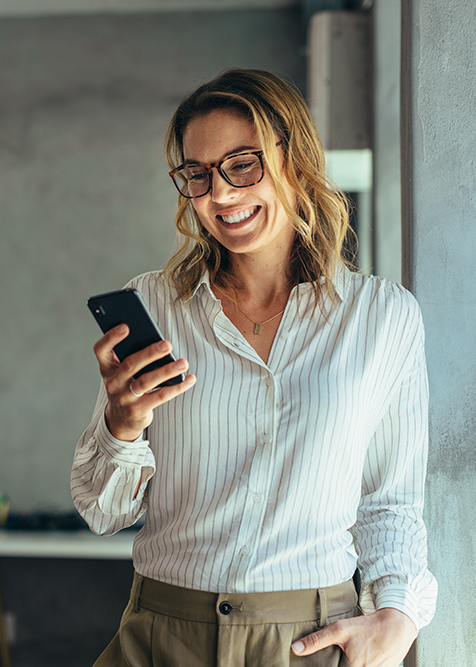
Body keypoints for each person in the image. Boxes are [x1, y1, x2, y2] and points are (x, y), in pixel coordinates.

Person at [71, 69, 437, 667]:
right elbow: (103, 511)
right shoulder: (156, 306)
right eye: (197, 174)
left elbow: (390, 503)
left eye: (243, 164)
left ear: (295, 161)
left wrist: (396, 618)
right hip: (162, 634)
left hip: (306, 641)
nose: (219, 194)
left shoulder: (381, 316)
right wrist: (122, 425)